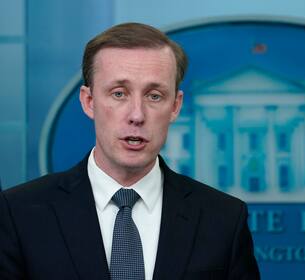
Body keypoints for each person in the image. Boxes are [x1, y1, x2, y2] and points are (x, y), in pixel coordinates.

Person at [0, 22, 260, 280]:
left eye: (154, 96)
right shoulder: (18, 213)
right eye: (119, 93)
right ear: (89, 102)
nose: (137, 115)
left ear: (175, 106)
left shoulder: (224, 219)